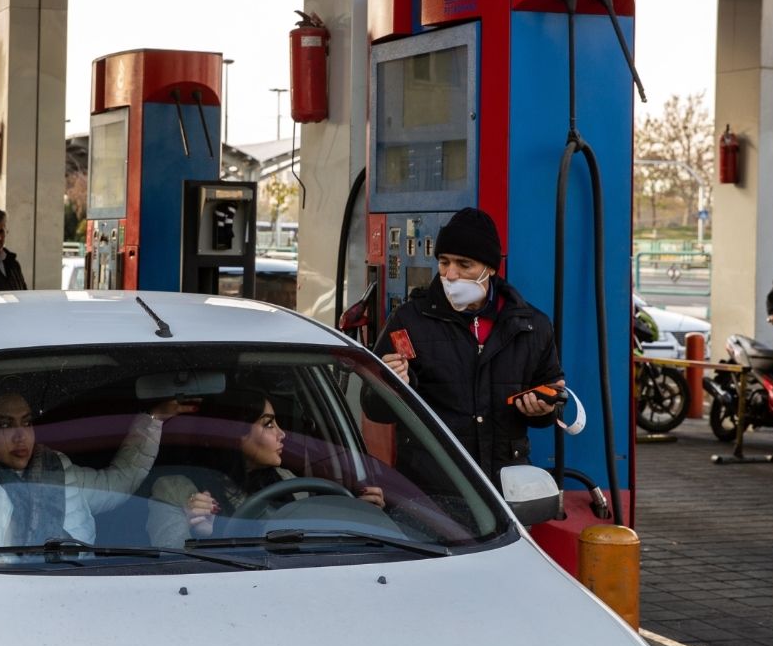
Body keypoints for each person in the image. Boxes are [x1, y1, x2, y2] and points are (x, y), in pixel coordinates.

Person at [373, 207, 563, 484]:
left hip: (504, 489)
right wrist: (392, 385)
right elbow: (374, 408)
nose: (450, 275)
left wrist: (545, 410)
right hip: (430, 489)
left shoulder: (531, 326)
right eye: (444, 262)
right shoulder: (409, 321)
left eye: (464, 265)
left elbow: (552, 398)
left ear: (490, 268)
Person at [0, 390, 195, 550]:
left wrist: (153, 420)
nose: (21, 435)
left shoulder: (57, 467)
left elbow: (120, 482)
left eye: (27, 422)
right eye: (4, 425)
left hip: (78, 585)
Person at [147, 388, 385, 548]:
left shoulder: (286, 480)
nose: (282, 434)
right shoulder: (174, 489)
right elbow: (167, 564)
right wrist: (201, 534)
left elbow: (312, 541)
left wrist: (354, 516)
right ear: (235, 434)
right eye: (268, 424)